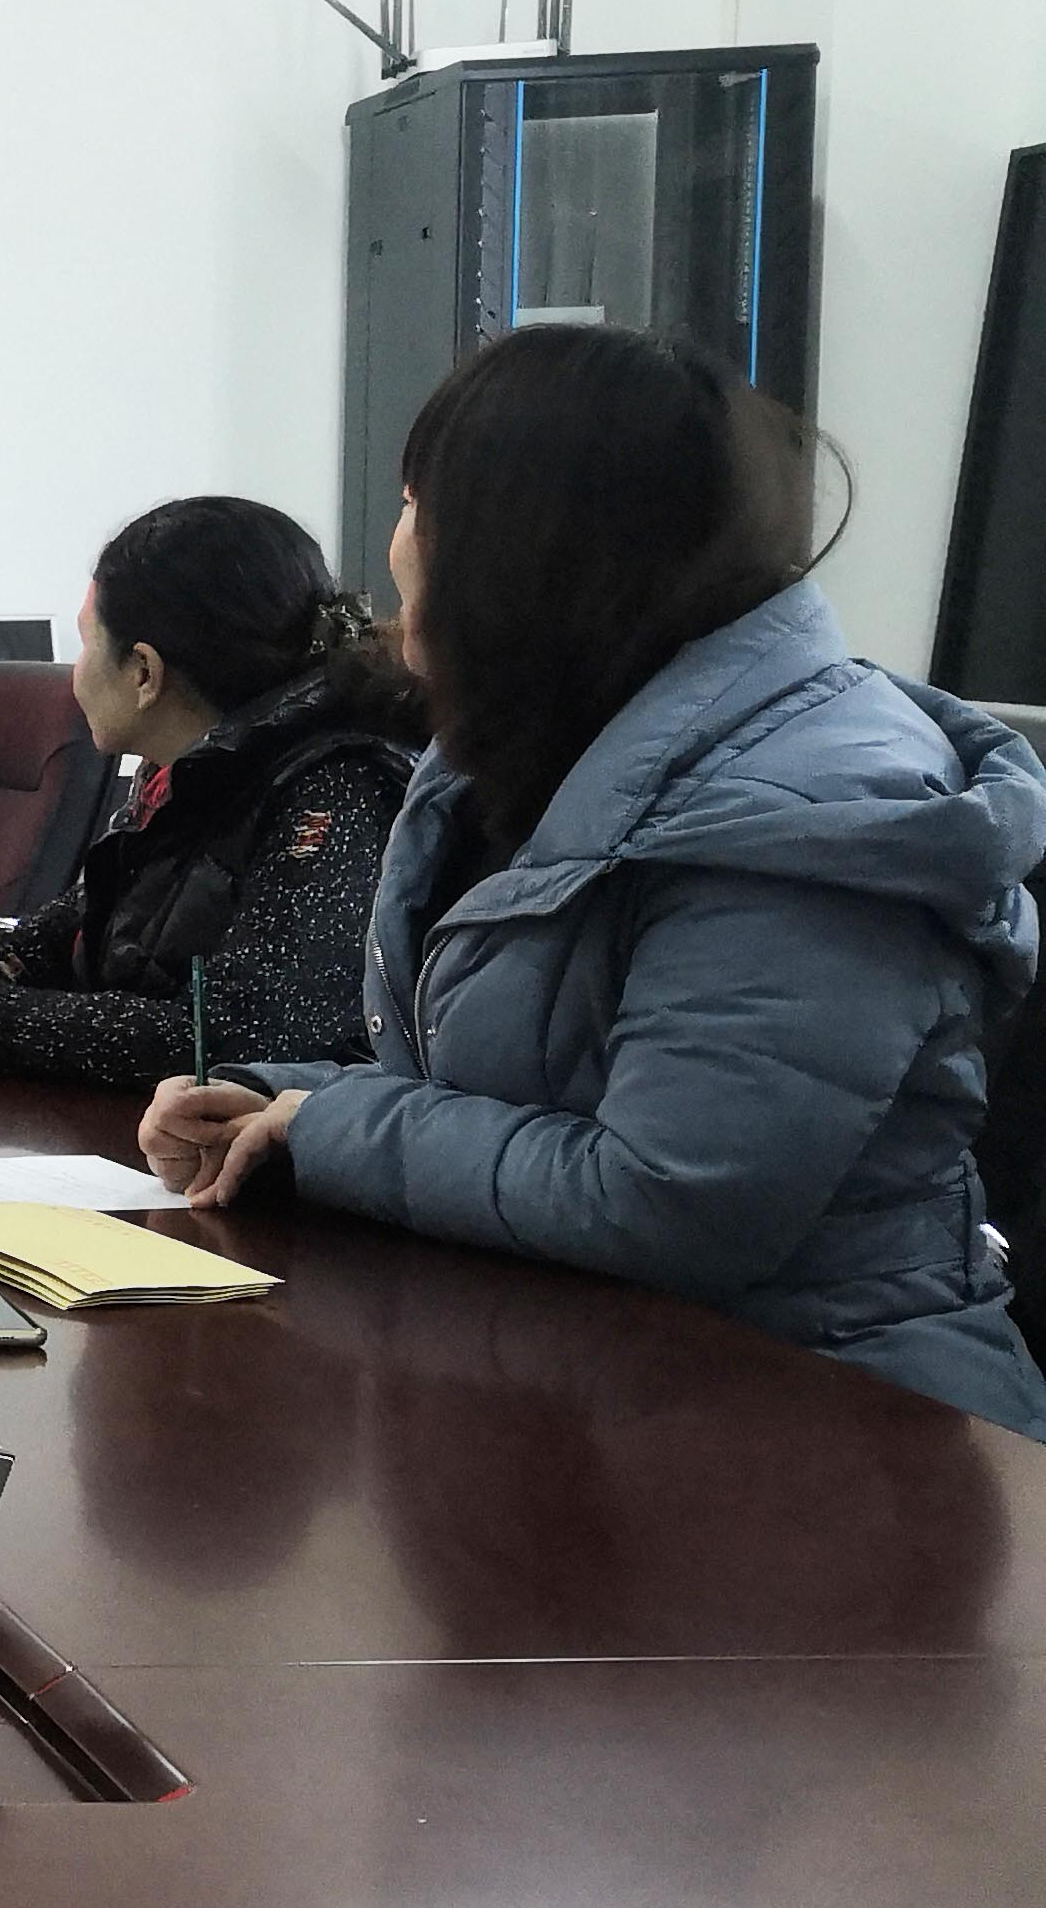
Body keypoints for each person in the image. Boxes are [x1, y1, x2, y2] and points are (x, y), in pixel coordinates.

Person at [143, 327, 1046, 1438]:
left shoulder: (811, 803)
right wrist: (283, 1104)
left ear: (521, 546)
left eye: (416, 505)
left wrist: (333, 1126)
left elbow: (667, 1201)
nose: (393, 546)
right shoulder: (542, 738)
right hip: (582, 1378)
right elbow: (511, 1083)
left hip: (829, 1422)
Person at [0, 498, 421, 1088]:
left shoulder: (337, 788)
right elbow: (80, 923)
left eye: (87, 643)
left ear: (144, 673)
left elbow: (236, 1038)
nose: (75, 674)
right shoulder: (189, 771)